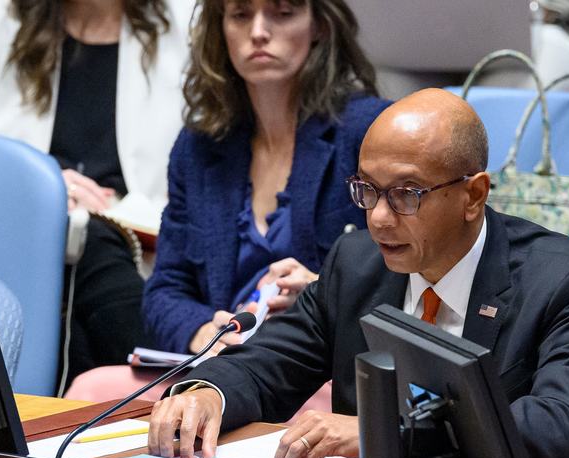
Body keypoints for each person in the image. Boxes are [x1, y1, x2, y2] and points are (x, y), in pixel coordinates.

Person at [146, 88, 569, 458]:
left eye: (405, 194)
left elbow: (559, 427)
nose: (378, 218)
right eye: (367, 190)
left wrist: (384, 432)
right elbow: (267, 366)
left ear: (473, 195)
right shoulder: (356, 264)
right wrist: (207, 392)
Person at [0, 0, 192, 382]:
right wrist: (44, 188)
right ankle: (181, 386)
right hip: (25, 237)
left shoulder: (186, 19)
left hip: (145, 235)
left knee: (90, 250)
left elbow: (209, 158)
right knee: (79, 240)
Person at [140, 0, 389, 355]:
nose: (258, 32)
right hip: (223, 365)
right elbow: (165, 288)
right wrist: (202, 332)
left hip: (323, 368)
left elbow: (415, 279)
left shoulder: (369, 131)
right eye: (240, 15)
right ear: (220, 28)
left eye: (283, 12)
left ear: (319, 25)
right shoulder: (198, 146)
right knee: (92, 387)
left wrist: (325, 293)